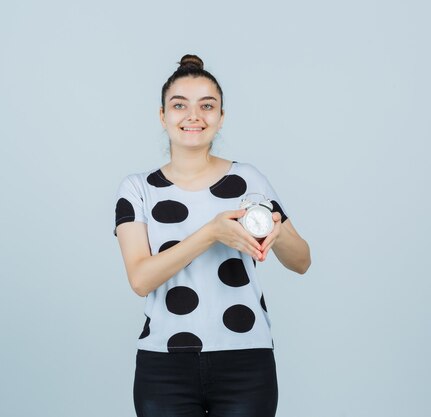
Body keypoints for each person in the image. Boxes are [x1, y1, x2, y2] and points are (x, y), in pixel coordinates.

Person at [114, 54, 311, 417]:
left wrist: (273, 229)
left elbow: (301, 262)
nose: (194, 116)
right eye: (179, 105)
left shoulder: (249, 180)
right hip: (164, 366)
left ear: (221, 118)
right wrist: (211, 233)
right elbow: (141, 279)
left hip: (246, 360)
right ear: (162, 116)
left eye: (207, 106)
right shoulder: (138, 189)